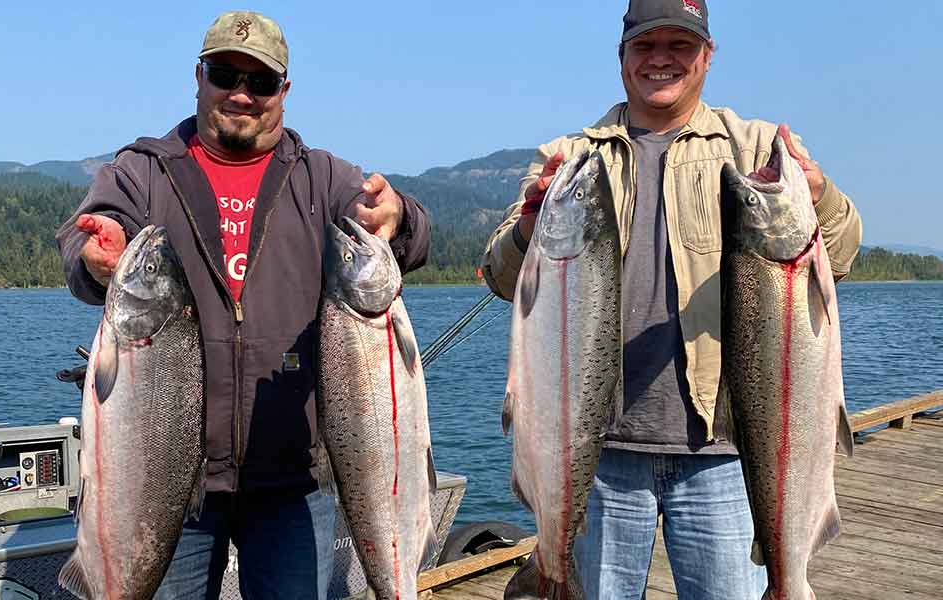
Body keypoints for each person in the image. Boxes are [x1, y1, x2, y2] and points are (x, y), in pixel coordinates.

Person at [480, 1, 861, 598]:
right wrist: (529, 224)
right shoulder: (569, 158)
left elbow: (838, 257)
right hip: (597, 459)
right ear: (622, 55)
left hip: (726, 456)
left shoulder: (757, 148)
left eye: (679, 45)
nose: (661, 59)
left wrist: (821, 196)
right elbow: (503, 277)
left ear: (708, 54)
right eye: (645, 45)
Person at [57, 10, 430, 600]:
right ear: (198, 76)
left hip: (293, 478)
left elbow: (406, 238)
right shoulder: (144, 171)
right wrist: (94, 256)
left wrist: (400, 215)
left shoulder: (323, 177)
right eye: (225, 74)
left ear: (284, 91)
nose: (241, 94)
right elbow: (81, 242)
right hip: (166, 477)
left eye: (259, 82)